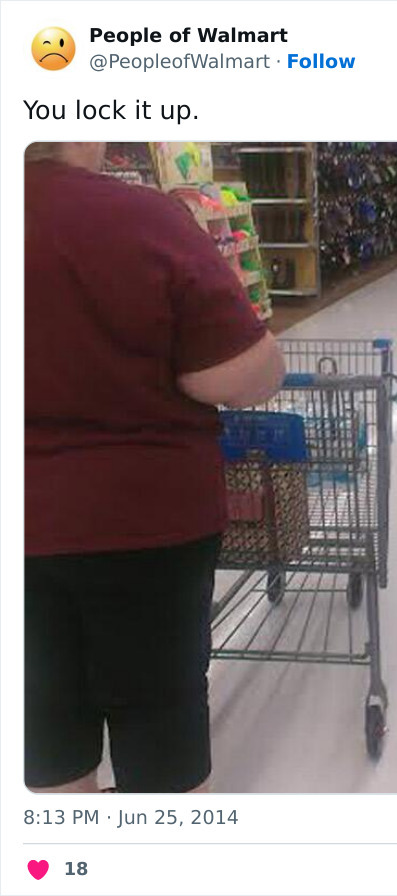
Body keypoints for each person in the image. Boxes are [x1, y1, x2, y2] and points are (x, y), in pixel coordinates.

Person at [25, 142, 285, 794]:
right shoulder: (141, 216)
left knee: (43, 718)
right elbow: (245, 375)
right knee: (158, 724)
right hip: (141, 525)